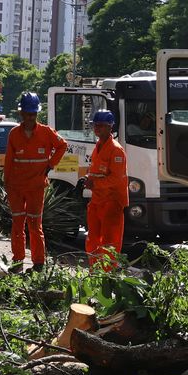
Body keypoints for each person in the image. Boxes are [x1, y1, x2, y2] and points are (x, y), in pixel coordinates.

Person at [4, 91, 68, 270]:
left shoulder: (46, 132)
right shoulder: (14, 134)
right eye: (27, 113)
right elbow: (9, 162)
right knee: (18, 224)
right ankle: (18, 261)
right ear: (21, 113)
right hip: (16, 187)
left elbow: (62, 145)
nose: (30, 117)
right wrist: (7, 185)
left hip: (36, 187)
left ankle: (38, 263)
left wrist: (51, 164)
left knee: (34, 224)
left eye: (33, 114)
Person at [80, 109, 127, 268]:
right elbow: (95, 171)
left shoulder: (116, 149)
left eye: (101, 125)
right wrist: (88, 178)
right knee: (92, 239)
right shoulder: (98, 146)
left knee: (109, 242)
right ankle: (95, 272)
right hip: (97, 201)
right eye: (95, 125)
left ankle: (108, 275)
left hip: (112, 202)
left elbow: (116, 178)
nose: (97, 128)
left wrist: (94, 184)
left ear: (110, 127)